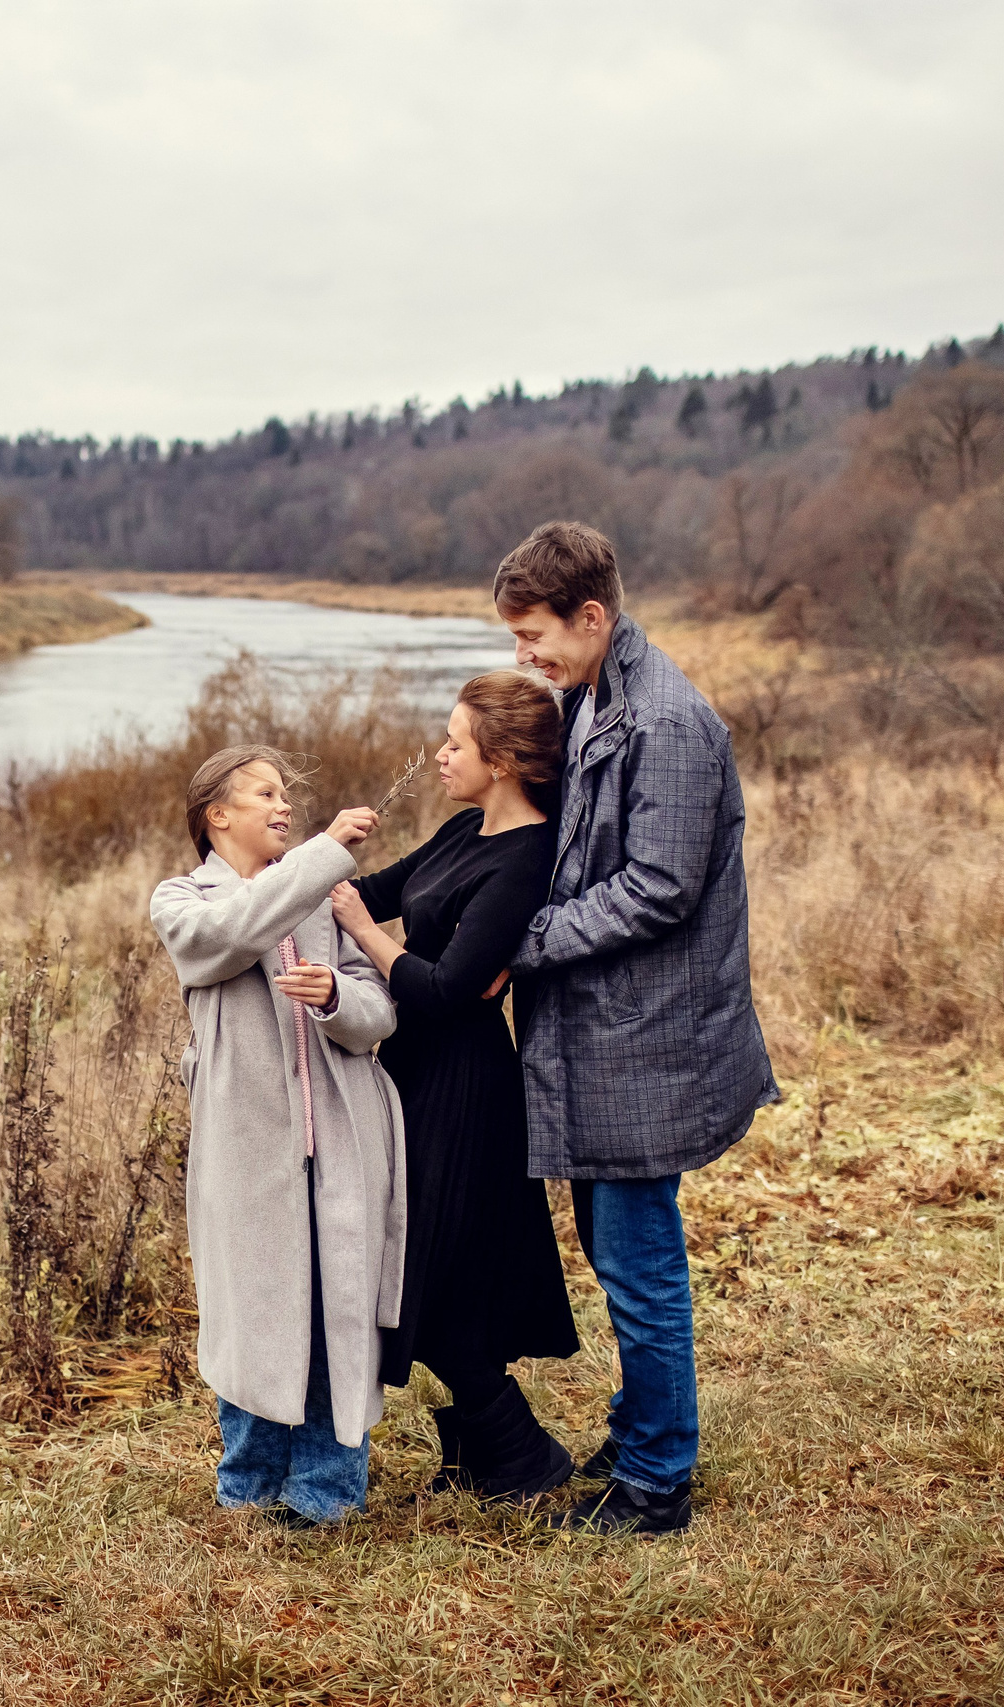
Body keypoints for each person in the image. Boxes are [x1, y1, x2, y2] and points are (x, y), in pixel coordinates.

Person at [495, 521, 781, 1537]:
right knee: (615, 1248)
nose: (522, 655)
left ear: (591, 616)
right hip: (603, 1036)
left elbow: (657, 889)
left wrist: (519, 941)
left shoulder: (666, 723)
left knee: (639, 1258)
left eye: (534, 634)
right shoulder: (591, 699)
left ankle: (658, 1481)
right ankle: (640, 1428)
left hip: (647, 1041)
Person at [327, 672, 582, 1501]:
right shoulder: (467, 827)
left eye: (456, 741)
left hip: (466, 1086)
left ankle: (523, 1458)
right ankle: (484, 1455)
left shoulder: (526, 858)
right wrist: (290, 872)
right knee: (433, 1272)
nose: (440, 752)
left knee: (426, 1280)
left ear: (502, 760)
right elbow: (373, 891)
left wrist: (366, 939)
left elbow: (445, 987)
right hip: (416, 1073)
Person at [150, 747, 406, 1527]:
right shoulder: (182, 899)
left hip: (338, 1140)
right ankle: (249, 1486)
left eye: (286, 794)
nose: (283, 805)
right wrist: (325, 852)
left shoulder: (323, 900)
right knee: (253, 1310)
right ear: (216, 815)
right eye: (264, 793)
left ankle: (326, 1495)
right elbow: (229, 935)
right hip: (248, 1145)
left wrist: (336, 997)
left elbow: (380, 1012)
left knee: (338, 1304)